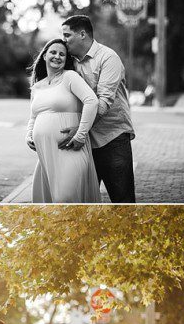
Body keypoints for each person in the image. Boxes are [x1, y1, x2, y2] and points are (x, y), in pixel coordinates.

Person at [58, 14, 137, 203]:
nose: (64, 40)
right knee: (83, 202)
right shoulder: (68, 61)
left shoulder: (108, 58)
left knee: (123, 202)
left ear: (82, 34)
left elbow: (103, 103)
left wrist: (80, 130)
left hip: (112, 138)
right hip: (84, 143)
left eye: (67, 35)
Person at [26, 38, 101, 203]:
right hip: (46, 154)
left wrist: (80, 135)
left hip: (70, 149)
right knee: (47, 202)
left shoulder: (70, 77)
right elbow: (34, 115)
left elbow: (92, 101)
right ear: (44, 56)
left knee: (65, 198)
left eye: (62, 54)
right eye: (53, 52)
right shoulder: (37, 86)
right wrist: (29, 135)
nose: (57, 56)